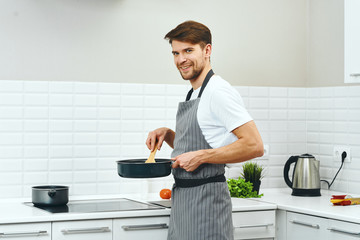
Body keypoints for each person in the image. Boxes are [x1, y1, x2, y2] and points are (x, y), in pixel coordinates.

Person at [146, 20, 264, 240]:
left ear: (207, 50)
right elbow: (205, 139)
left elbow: (254, 145)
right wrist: (169, 134)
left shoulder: (218, 92)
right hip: (184, 201)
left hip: (206, 202)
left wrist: (202, 156)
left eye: (188, 50)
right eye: (175, 53)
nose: (181, 59)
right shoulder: (196, 92)